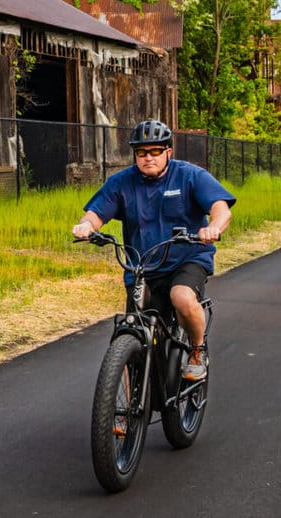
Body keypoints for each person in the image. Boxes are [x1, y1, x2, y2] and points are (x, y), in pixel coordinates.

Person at [69, 120, 234, 382]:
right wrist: (86, 226)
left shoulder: (190, 176)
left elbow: (221, 209)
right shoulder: (122, 183)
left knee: (181, 297)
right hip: (142, 266)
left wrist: (213, 227)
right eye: (141, 153)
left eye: (155, 151)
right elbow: (96, 213)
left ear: (169, 151)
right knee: (129, 332)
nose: (148, 158)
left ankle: (196, 350)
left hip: (186, 258)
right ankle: (118, 412)